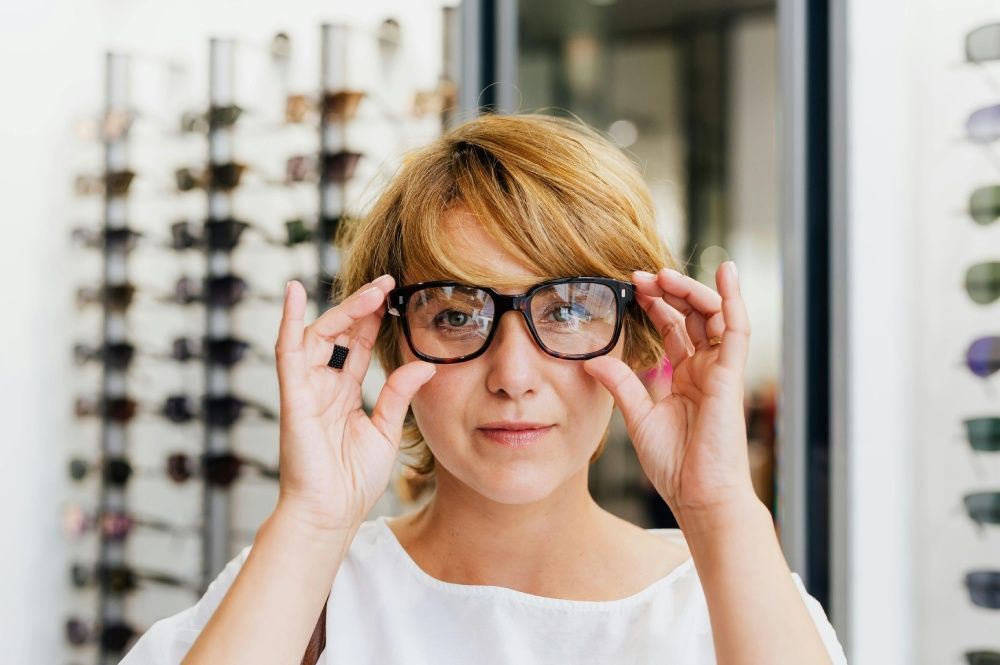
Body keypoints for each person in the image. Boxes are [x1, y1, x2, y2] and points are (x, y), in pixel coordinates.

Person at [119, 112, 848, 664]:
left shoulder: (728, 597)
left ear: (637, 330)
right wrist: (313, 517)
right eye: (457, 314)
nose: (513, 376)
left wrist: (721, 507)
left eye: (565, 311)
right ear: (391, 336)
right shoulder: (296, 589)